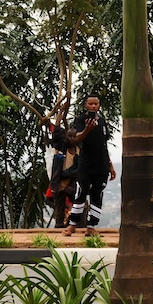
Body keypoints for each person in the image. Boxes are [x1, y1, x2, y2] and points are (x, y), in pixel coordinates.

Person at [63, 95, 116, 237]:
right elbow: (76, 139)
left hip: (102, 165)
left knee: (97, 195)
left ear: (98, 105)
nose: (93, 106)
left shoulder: (103, 122)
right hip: (86, 165)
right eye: (90, 104)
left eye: (95, 104)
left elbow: (104, 144)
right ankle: (72, 225)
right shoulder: (81, 120)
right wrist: (87, 129)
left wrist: (110, 164)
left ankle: (92, 226)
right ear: (86, 105)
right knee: (80, 194)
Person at [48, 127, 80, 228]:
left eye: (74, 136)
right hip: (59, 184)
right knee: (59, 212)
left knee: (78, 207)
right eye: (69, 136)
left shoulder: (80, 151)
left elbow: (80, 170)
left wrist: (68, 174)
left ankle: (77, 227)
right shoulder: (61, 148)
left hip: (72, 184)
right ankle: (59, 231)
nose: (71, 139)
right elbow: (56, 135)